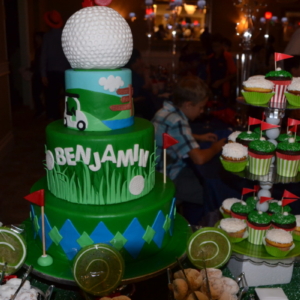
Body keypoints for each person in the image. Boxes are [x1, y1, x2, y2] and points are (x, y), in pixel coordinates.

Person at [152, 76, 226, 225]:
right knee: (214, 192)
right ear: (188, 105)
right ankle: (205, 225)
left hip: (156, 172)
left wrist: (198, 137)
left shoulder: (165, 111)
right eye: (200, 107)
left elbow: (173, 134)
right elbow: (199, 158)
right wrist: (216, 147)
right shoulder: (178, 121)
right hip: (168, 178)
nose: (202, 111)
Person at [40, 10, 70, 120]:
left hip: (52, 71)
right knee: (69, 96)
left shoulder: (47, 37)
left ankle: (54, 119)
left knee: (52, 98)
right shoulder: (67, 34)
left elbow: (44, 56)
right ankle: (70, 117)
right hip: (66, 71)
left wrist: (43, 74)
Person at [125, 48, 155, 120]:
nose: (142, 62)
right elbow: (148, 88)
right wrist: (146, 74)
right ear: (137, 60)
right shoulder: (133, 75)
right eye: (140, 59)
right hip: (136, 109)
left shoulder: (127, 72)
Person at [206, 34, 237, 103]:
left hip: (224, 89)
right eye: (214, 46)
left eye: (217, 46)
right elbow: (209, 74)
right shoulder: (211, 57)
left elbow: (234, 73)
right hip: (212, 87)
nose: (215, 48)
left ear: (221, 46)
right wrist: (207, 88)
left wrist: (220, 82)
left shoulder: (227, 56)